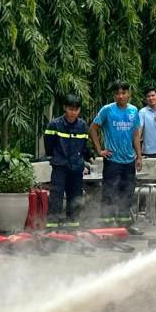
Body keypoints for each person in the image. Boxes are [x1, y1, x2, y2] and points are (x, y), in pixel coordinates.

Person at [89, 80, 144, 235]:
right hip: (112, 160)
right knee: (109, 193)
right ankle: (107, 226)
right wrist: (99, 150)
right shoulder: (107, 110)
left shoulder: (133, 110)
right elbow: (92, 129)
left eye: (123, 93)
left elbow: (136, 134)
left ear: (129, 93)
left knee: (127, 194)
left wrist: (139, 156)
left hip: (129, 160)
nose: (120, 96)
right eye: (117, 93)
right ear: (114, 95)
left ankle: (125, 225)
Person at [43, 94, 93, 229]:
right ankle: (52, 227)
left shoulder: (82, 126)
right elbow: (49, 147)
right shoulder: (54, 125)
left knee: (75, 197)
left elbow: (84, 147)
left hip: (76, 167)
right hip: (60, 166)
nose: (73, 112)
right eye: (71, 109)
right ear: (65, 108)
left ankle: (72, 226)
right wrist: (57, 157)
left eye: (76, 109)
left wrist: (89, 158)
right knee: (56, 196)